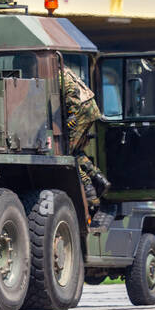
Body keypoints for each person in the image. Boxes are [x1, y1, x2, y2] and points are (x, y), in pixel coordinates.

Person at [59, 66, 107, 212]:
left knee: (67, 155)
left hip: (81, 111)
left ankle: (90, 193)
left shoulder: (58, 73)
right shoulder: (64, 68)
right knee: (76, 150)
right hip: (89, 109)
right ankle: (98, 177)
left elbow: (72, 91)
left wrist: (72, 114)